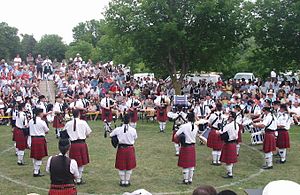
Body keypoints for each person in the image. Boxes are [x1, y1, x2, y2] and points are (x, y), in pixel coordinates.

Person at [64, 109, 92, 184]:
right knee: (81, 162)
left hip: (72, 144)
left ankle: (74, 178)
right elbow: (88, 133)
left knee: (73, 162)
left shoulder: (68, 123)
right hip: (81, 143)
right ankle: (79, 179)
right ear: (79, 114)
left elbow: (64, 134)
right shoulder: (83, 122)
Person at [110, 114, 137, 187]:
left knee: (121, 166)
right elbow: (135, 138)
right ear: (130, 120)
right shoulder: (133, 130)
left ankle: (122, 181)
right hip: (130, 149)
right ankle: (127, 181)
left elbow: (111, 135)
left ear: (122, 120)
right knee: (129, 166)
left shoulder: (118, 129)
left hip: (121, 149)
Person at [175, 112, 198, 184]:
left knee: (185, 165)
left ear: (187, 118)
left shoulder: (184, 126)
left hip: (185, 146)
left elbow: (176, 135)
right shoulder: (196, 126)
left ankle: (185, 180)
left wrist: (180, 138)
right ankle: (190, 179)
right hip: (192, 147)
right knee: (191, 164)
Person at [29, 108, 49, 177]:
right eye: (42, 113)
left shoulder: (31, 121)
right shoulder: (42, 122)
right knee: (39, 156)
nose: (43, 114)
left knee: (35, 156)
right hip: (40, 139)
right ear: (40, 113)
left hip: (33, 139)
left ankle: (36, 169)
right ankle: (36, 172)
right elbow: (47, 131)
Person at [220, 111, 239, 178]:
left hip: (229, 143)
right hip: (233, 143)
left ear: (232, 117)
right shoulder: (236, 124)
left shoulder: (229, 125)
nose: (228, 117)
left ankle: (230, 173)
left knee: (228, 161)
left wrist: (217, 131)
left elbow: (220, 132)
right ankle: (230, 172)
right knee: (230, 161)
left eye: (230, 116)